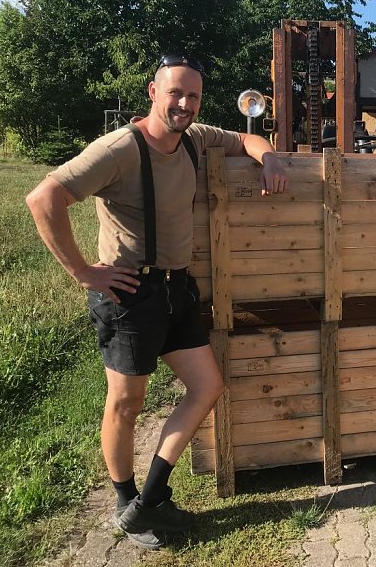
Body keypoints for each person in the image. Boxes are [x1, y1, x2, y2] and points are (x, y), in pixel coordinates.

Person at [26, 55, 289, 549]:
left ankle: (150, 499)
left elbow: (245, 138)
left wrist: (269, 155)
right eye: (176, 93)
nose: (185, 103)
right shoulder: (120, 148)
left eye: (193, 96)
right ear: (153, 91)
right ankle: (124, 501)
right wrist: (82, 271)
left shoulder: (193, 138)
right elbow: (43, 199)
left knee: (207, 385)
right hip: (129, 295)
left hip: (177, 288)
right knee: (126, 402)